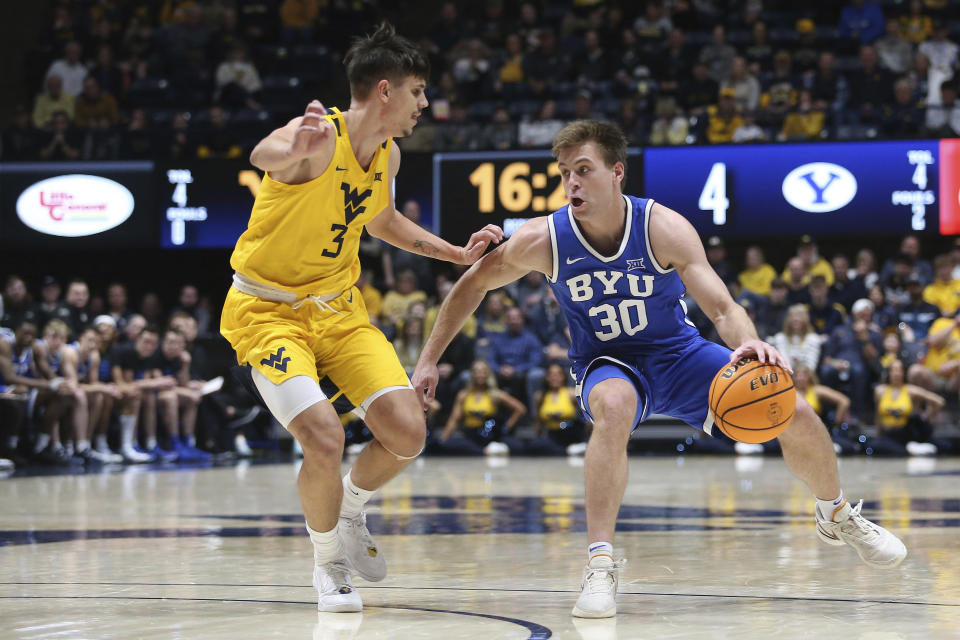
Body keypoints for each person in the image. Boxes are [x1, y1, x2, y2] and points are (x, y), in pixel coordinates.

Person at [412, 120, 906, 619]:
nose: (572, 183)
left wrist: (751, 342)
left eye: (584, 170)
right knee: (614, 404)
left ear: (616, 173)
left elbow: (721, 307)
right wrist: (429, 358)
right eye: (565, 173)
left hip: (680, 355)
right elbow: (472, 285)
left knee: (792, 408)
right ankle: (600, 563)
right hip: (607, 362)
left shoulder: (661, 227)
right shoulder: (544, 238)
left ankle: (836, 512)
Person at [219, 22, 503, 613]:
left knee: (408, 431)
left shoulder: (388, 154)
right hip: (267, 314)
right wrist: (290, 149)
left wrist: (454, 253)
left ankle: (350, 510)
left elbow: (383, 222)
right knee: (324, 436)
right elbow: (262, 151)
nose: (424, 103)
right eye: (418, 91)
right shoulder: (320, 138)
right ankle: (327, 564)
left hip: (340, 309)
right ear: (384, 90)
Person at [435, 360, 526, 455]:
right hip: (471, 436)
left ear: (488, 374)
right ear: (472, 374)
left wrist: (505, 428)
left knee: (517, 446)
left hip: (490, 435)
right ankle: (484, 451)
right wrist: (443, 439)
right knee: (448, 445)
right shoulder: (463, 395)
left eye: (483, 371)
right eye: (477, 371)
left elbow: (520, 409)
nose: (480, 374)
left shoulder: (496, 394)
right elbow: (454, 420)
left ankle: (484, 450)